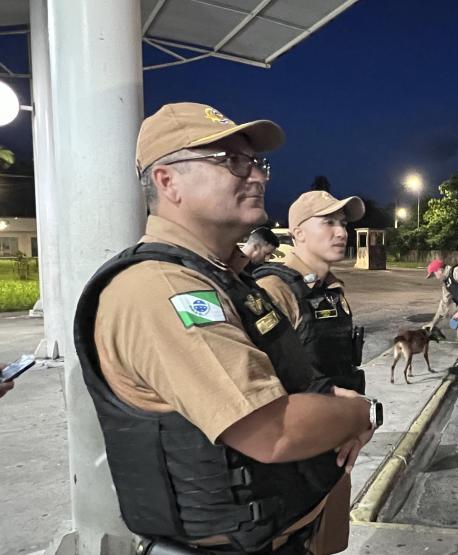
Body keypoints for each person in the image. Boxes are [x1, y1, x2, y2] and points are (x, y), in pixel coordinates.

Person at [74, 102, 381, 555]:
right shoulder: (161, 289)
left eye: (257, 163)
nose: (256, 176)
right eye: (232, 161)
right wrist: (363, 413)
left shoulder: (226, 279)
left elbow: (299, 378)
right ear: (168, 181)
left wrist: (335, 407)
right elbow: (272, 430)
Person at [254, 190, 367, 552]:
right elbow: (263, 383)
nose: (341, 232)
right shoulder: (273, 289)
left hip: (334, 449)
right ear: (297, 232)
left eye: (344, 223)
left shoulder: (331, 288)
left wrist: (353, 425)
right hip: (293, 457)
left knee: (327, 545)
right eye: (328, 222)